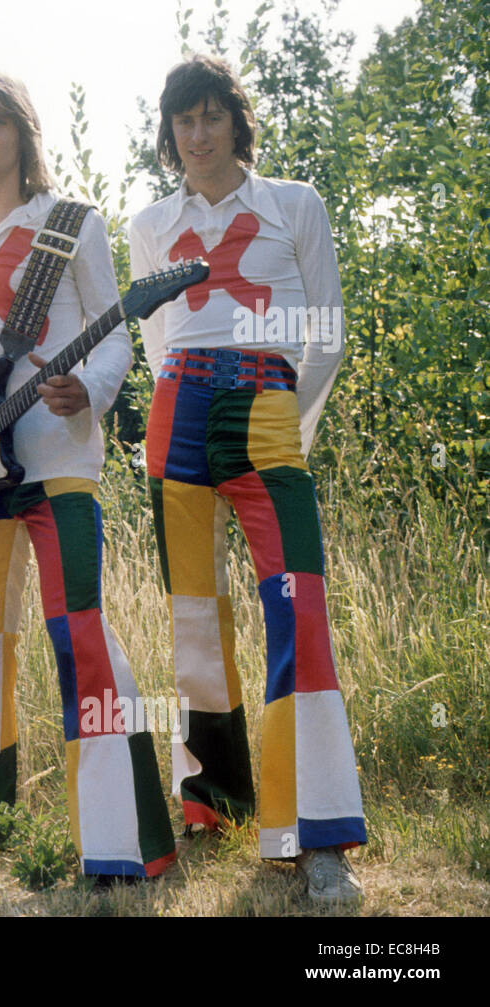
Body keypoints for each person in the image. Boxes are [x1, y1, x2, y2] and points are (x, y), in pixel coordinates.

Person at [0, 71, 176, 882]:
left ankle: (120, 836)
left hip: (58, 457)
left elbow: (119, 332)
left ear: (24, 134)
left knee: (78, 630)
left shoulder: (71, 223)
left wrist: (86, 389)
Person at [124, 54, 364, 901]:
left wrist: (284, 430)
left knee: (298, 603)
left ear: (236, 120)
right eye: (181, 121)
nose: (195, 135)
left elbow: (324, 333)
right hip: (178, 408)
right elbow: (156, 347)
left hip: (268, 404)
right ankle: (214, 805)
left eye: (209, 116)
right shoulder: (150, 222)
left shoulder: (294, 203)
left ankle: (315, 833)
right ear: (169, 132)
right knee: (194, 616)